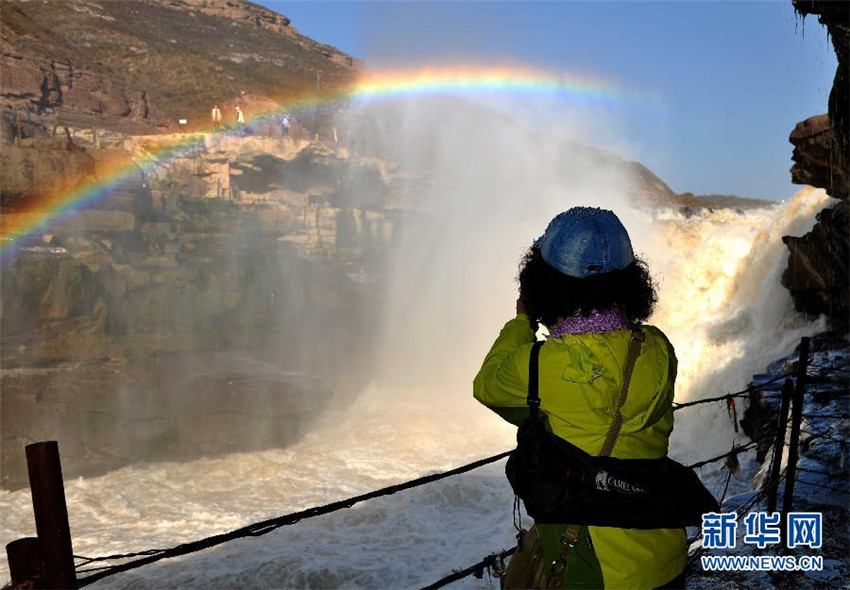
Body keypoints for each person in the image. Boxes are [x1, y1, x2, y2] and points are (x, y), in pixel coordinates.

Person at [473, 207, 687, 590]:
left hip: (594, 569)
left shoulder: (541, 365)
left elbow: (488, 385)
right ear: (631, 283)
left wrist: (522, 321)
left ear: (543, 285)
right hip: (666, 552)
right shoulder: (657, 347)